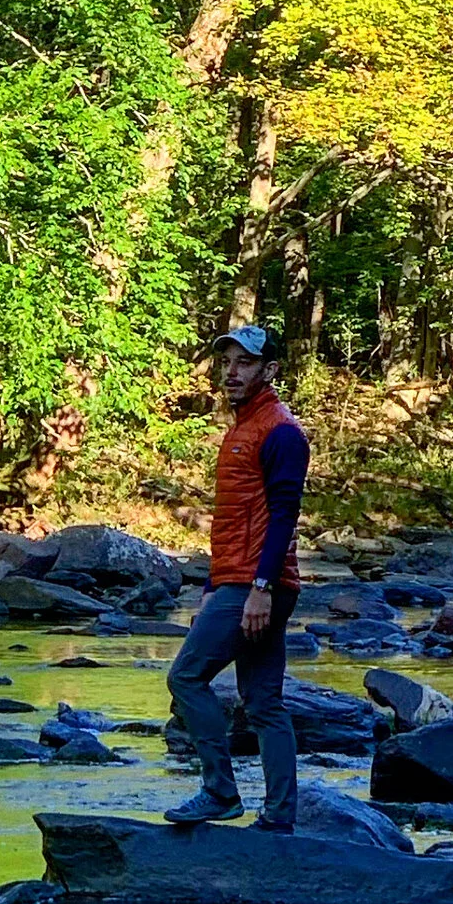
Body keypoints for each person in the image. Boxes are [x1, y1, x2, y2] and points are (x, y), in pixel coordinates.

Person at [164, 323, 310, 829]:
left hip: (256, 584)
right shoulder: (241, 429)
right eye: (227, 362)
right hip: (240, 581)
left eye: (244, 363)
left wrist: (261, 589)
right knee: (264, 703)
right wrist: (211, 587)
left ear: (270, 370)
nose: (232, 372)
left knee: (185, 678)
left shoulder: (281, 432)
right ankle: (280, 819)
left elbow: (284, 516)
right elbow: (231, 522)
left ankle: (220, 792)